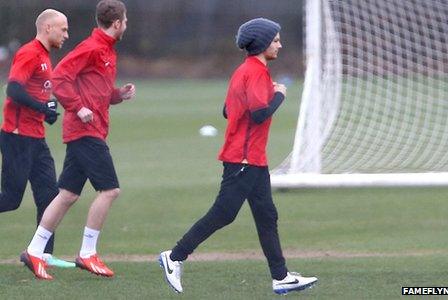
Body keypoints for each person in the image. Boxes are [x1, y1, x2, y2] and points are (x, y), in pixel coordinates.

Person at [159, 18, 317, 295]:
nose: (280, 44)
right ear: (262, 43)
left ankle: (280, 277)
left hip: (254, 159)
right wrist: (279, 95)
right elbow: (258, 114)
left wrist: (268, 91)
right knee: (224, 213)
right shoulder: (255, 72)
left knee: (267, 215)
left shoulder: (246, 71)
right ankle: (174, 257)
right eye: (276, 40)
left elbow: (226, 110)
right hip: (242, 160)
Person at [20, 0, 136, 280]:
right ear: (117, 23)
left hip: (88, 130)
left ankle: (34, 251)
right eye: (126, 21)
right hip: (85, 131)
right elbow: (59, 78)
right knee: (110, 191)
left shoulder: (107, 51)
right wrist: (77, 107)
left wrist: (118, 94)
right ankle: (88, 253)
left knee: (68, 194)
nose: (127, 25)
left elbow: (98, 93)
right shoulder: (93, 48)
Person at [0, 9, 74, 268]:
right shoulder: (30, 53)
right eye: (63, 29)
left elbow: (33, 93)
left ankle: (40, 255)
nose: (66, 34)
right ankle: (39, 255)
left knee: (49, 197)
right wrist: (43, 108)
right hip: (17, 137)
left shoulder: (45, 56)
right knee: (10, 199)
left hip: (36, 138)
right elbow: (14, 89)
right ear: (47, 29)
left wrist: (48, 110)